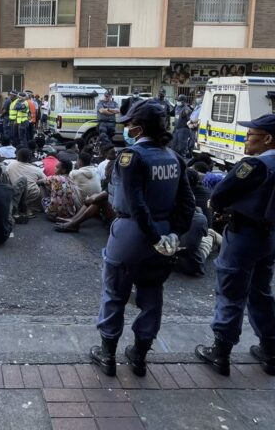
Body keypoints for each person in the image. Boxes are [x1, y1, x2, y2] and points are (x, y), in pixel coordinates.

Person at [90, 100, 196, 378]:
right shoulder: (174, 158)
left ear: (138, 128)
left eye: (129, 124)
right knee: (152, 296)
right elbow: (188, 203)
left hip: (132, 234)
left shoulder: (131, 157)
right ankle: (139, 356)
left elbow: (137, 204)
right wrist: (173, 234)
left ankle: (107, 354)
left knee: (115, 294)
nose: (126, 129)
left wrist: (152, 236)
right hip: (164, 233)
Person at [195, 114, 275, 378]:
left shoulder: (255, 166)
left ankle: (221, 352)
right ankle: (269, 351)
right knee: (262, 292)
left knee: (231, 293)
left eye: (250, 135)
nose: (246, 139)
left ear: (267, 139)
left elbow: (219, 196)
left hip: (246, 235)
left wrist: (223, 207)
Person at [6, 147, 46, 214]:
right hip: (32, 194)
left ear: (17, 157)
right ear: (30, 158)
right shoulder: (36, 169)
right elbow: (46, 180)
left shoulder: (11, 165)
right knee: (43, 185)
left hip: (16, 194)